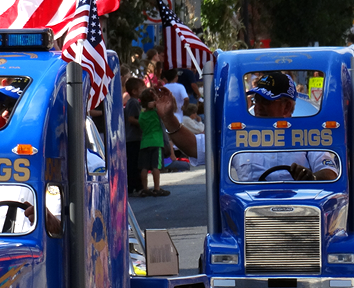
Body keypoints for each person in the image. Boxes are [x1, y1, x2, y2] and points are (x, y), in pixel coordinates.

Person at [156, 73, 338, 182]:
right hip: (247, 219)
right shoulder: (238, 134)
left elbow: (329, 172)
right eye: (257, 99)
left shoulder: (308, 133)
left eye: (266, 101)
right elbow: (194, 147)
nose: (258, 106)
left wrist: (311, 178)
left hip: (298, 215)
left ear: (287, 107)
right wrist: (168, 117)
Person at [137, 88, 171, 197]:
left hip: (145, 141)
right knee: (156, 166)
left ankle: (145, 188)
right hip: (157, 141)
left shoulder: (142, 114)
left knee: (144, 167)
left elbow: (140, 125)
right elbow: (164, 110)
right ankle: (157, 188)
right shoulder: (156, 112)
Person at [123, 78, 144, 195]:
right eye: (142, 88)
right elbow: (131, 119)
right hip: (133, 137)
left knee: (134, 162)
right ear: (135, 91)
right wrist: (143, 123)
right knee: (135, 163)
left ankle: (134, 185)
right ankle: (135, 185)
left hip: (133, 137)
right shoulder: (134, 102)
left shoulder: (135, 102)